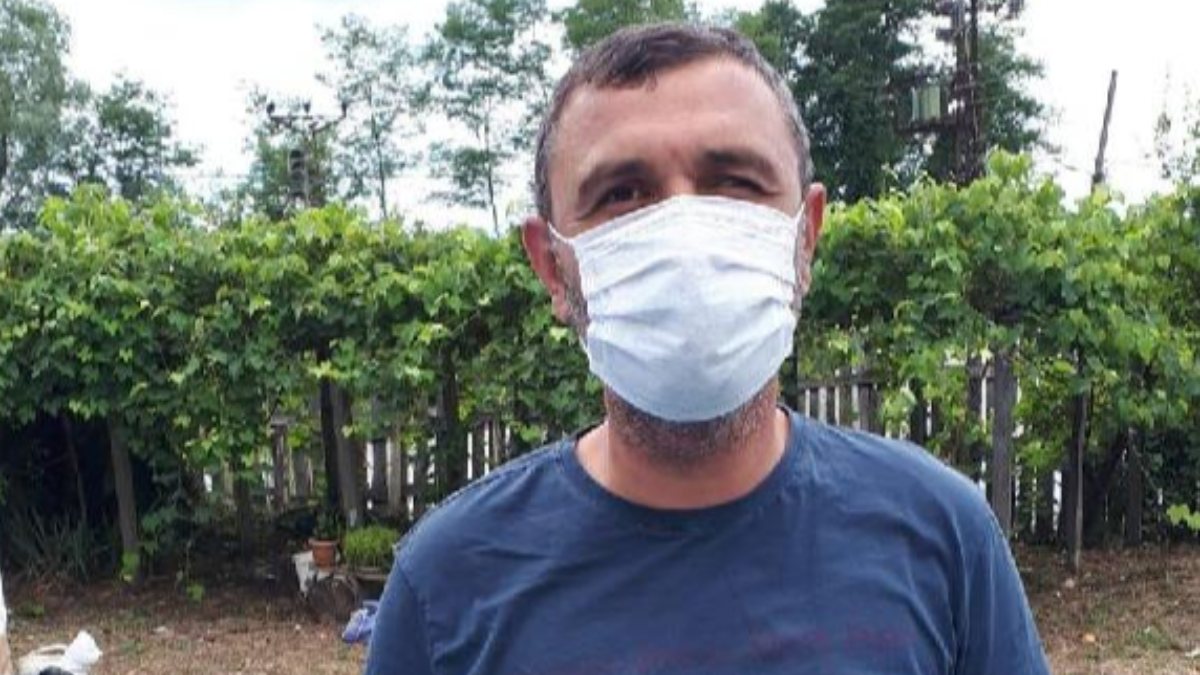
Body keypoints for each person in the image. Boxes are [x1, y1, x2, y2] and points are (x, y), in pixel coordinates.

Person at [365, 23, 1049, 674]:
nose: (685, 234)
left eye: (736, 182)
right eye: (622, 193)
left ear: (805, 236)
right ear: (551, 264)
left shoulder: (942, 536)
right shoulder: (447, 583)